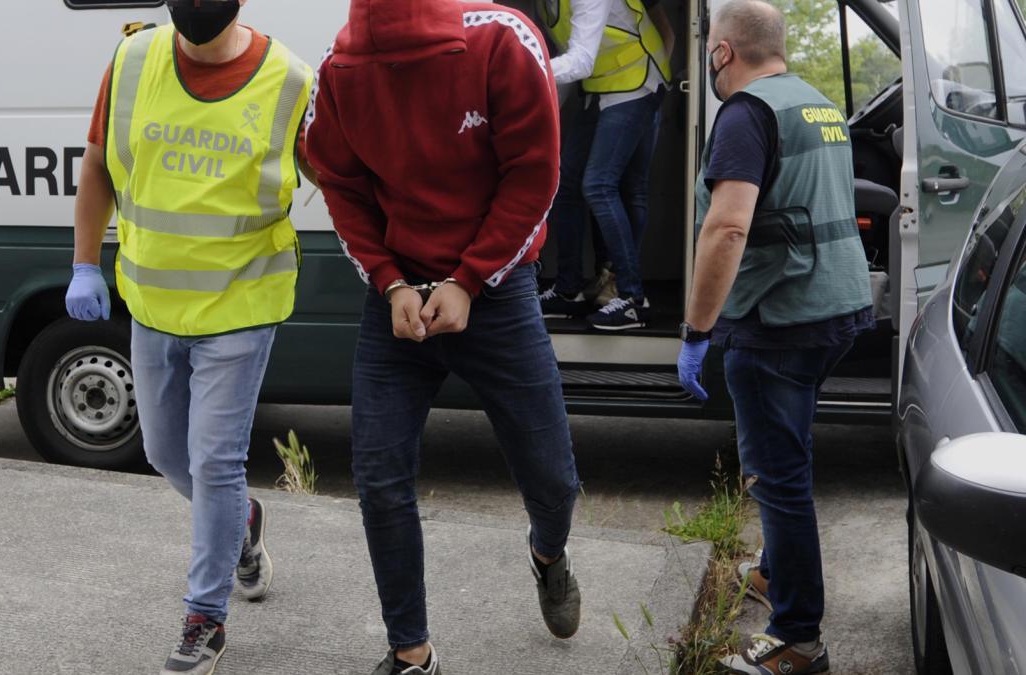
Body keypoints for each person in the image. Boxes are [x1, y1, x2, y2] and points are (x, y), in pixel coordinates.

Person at [306, 1, 583, 672]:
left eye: (414, 60)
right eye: (384, 61)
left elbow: (535, 174)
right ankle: (411, 651)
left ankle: (547, 551)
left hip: (498, 290)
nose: (398, 73)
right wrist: (390, 281)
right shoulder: (340, 73)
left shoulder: (505, 41)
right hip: (398, 297)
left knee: (553, 479)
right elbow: (340, 185)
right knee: (378, 475)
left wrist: (469, 277)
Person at [64, 1, 314, 673]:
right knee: (166, 454)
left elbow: (344, 181)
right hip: (153, 308)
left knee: (214, 462)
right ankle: (241, 526)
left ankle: (205, 620)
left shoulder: (291, 81)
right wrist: (85, 263)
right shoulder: (133, 59)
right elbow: (97, 164)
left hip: (241, 306)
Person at [677, 1, 874, 673]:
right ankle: (774, 572)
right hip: (836, 309)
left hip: (779, 321)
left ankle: (797, 637)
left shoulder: (746, 113)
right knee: (787, 453)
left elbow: (727, 227)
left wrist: (698, 329)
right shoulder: (818, 104)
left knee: (779, 475)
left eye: (711, 52)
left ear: (723, 52)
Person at [535, 0, 675, 330]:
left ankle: (632, 299)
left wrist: (521, 67)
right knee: (565, 181)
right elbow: (570, 53)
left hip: (638, 81)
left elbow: (580, 61)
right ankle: (568, 291)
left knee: (598, 185)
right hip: (599, 86)